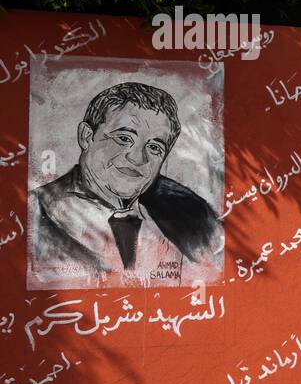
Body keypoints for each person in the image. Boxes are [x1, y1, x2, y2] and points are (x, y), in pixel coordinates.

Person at [30, 81, 221, 288]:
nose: (138, 158)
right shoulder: (34, 210)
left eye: (155, 147)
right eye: (124, 138)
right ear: (87, 136)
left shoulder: (194, 217)